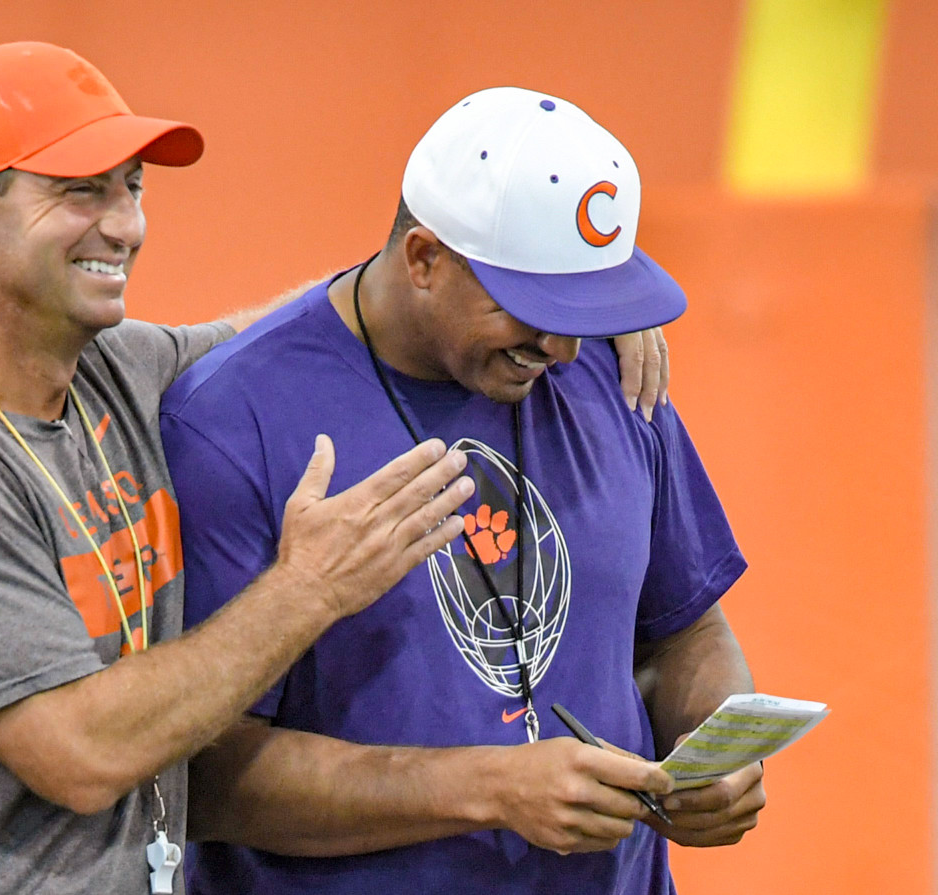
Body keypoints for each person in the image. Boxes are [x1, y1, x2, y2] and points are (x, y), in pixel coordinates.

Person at [0, 42, 479, 895]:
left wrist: (542, 295)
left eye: (131, 187)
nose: (125, 223)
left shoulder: (120, 371)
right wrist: (310, 587)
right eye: (80, 190)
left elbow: (311, 338)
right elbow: (84, 750)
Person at [160, 87, 764, 895]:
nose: (556, 344)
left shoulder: (613, 373)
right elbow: (206, 777)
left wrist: (715, 750)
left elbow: (685, 631)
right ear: (423, 258)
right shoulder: (233, 421)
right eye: (530, 305)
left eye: (582, 303)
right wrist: (491, 788)